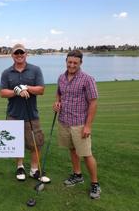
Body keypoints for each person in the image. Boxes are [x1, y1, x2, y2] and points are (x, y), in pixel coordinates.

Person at [53, 50, 101, 199]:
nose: (72, 65)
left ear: (80, 63)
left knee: (86, 154)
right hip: (64, 121)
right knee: (72, 150)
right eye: (69, 62)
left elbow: (93, 103)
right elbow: (59, 94)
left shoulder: (87, 79)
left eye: (75, 62)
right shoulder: (61, 77)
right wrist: (57, 103)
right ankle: (77, 175)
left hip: (80, 123)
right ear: (66, 61)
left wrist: (88, 126)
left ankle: (95, 184)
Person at [0, 43, 49, 182]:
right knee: (16, 144)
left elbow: (41, 90)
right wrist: (17, 91)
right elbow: (2, 92)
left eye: (22, 53)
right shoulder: (7, 72)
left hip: (31, 114)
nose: (19, 55)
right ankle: (19, 166)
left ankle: (34, 170)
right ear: (12, 55)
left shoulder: (35, 70)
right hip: (13, 114)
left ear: (26, 54)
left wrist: (25, 87)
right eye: (16, 53)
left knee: (36, 143)